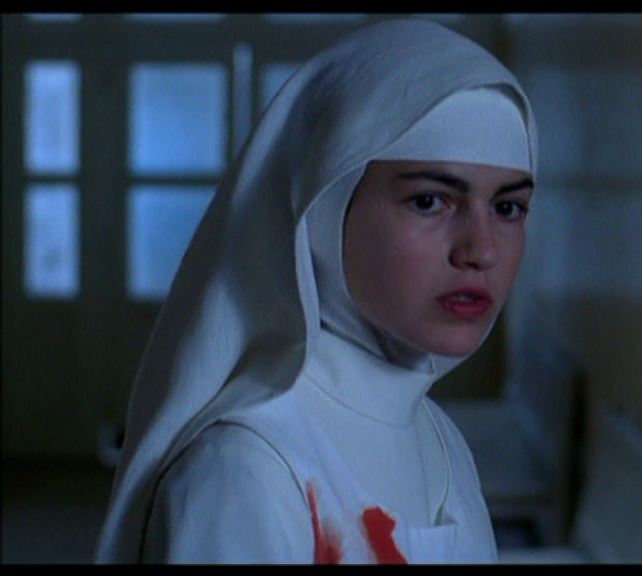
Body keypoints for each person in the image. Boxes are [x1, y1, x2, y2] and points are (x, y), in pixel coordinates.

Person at [95, 18, 537, 564]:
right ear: (324, 209)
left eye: (507, 207)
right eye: (429, 201)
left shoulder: (440, 442)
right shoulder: (245, 472)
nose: (481, 249)